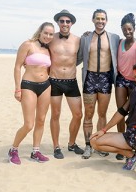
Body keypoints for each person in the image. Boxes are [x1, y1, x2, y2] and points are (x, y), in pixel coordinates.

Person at [8, 22, 54, 165]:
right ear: (40, 32)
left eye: (51, 34)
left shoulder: (49, 49)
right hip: (29, 85)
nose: (48, 36)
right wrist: (17, 89)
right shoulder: (28, 44)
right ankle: (13, 149)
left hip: (46, 86)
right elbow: (17, 67)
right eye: (46, 33)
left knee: (41, 120)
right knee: (29, 124)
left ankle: (35, 152)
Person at [77, 9, 120, 159]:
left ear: (106, 21)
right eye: (98, 18)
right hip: (89, 78)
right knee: (88, 114)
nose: (100, 21)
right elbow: (76, 58)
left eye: (103, 19)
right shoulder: (86, 38)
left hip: (105, 79)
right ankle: (88, 145)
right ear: (93, 20)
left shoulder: (114, 38)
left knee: (102, 114)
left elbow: (131, 45)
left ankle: (99, 145)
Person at [49, 9, 83, 159]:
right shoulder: (50, 38)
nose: (64, 23)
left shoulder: (78, 40)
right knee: (55, 114)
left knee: (78, 114)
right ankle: (56, 146)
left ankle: (71, 143)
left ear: (72, 23)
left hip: (71, 81)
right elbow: (37, 48)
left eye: (67, 21)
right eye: (62, 21)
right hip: (54, 81)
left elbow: (81, 57)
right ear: (58, 22)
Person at [115, 13, 136, 160]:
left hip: (135, 82)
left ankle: (131, 143)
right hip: (121, 80)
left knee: (133, 115)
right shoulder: (119, 42)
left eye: (130, 29)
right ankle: (121, 145)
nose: (127, 32)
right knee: (120, 113)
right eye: (125, 29)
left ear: (134, 29)